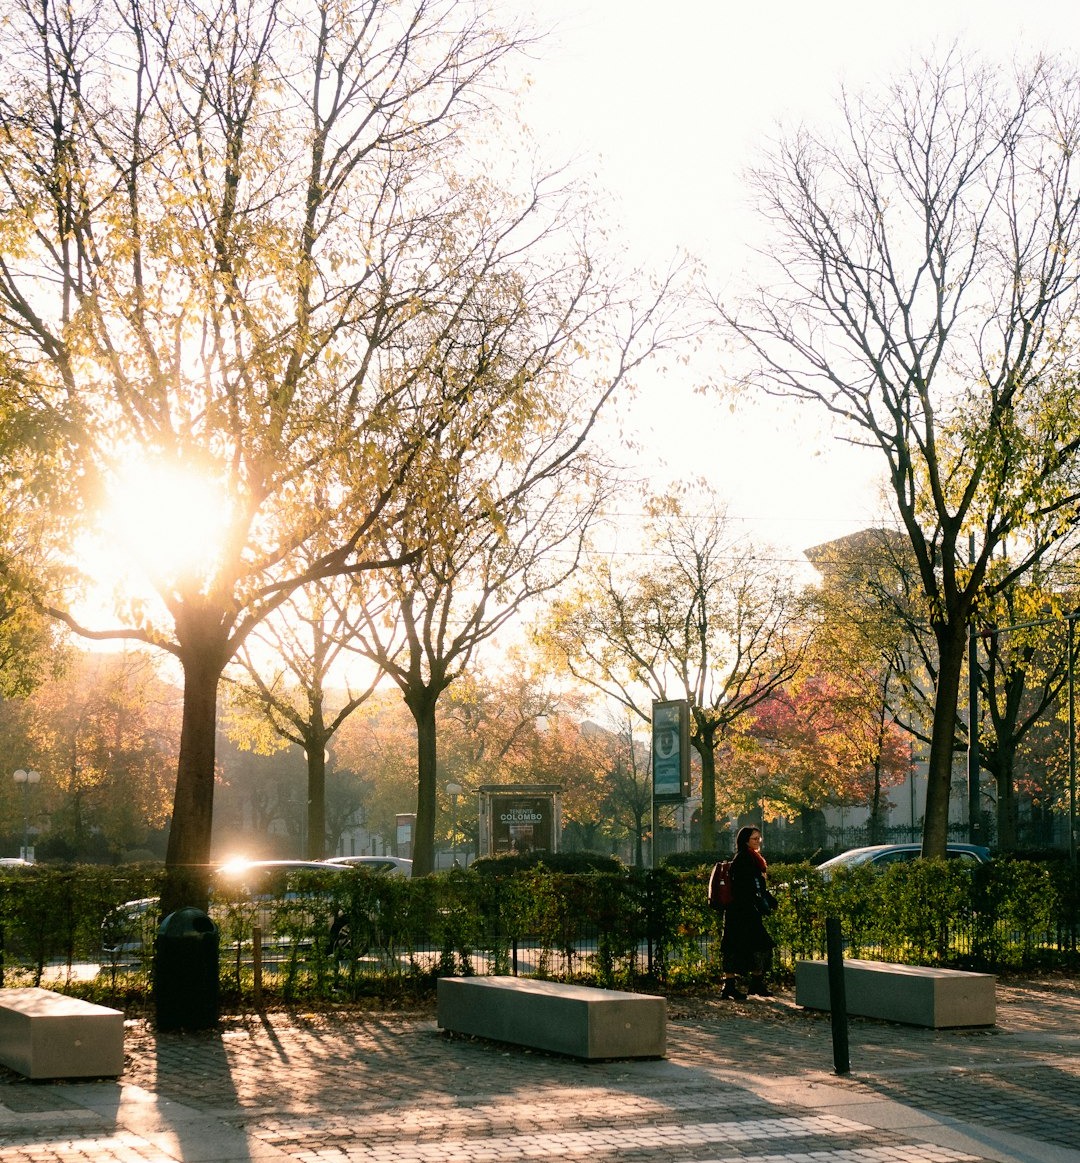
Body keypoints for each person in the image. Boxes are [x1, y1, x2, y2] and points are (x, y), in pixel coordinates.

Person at [719, 825, 777, 999]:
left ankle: (749, 984)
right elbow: (747, 886)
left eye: (759, 838)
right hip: (742, 912)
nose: (758, 841)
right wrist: (761, 901)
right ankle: (736, 985)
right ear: (745, 841)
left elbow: (756, 885)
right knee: (755, 945)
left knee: (747, 946)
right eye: (754, 838)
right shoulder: (745, 858)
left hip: (744, 911)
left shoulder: (753, 857)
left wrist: (766, 898)